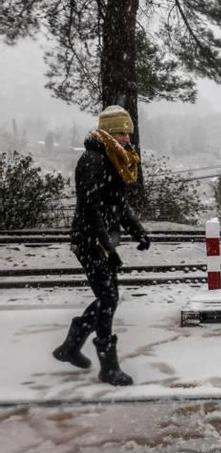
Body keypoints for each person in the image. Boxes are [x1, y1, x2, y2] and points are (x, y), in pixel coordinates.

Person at [52, 105, 151, 386]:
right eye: (122, 133)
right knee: (108, 299)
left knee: (109, 298)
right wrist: (105, 244)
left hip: (104, 241)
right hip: (90, 241)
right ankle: (107, 367)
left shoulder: (113, 159)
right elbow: (90, 208)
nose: (128, 139)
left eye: (128, 133)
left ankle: (70, 347)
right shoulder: (93, 160)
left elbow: (119, 205)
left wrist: (138, 232)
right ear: (109, 132)